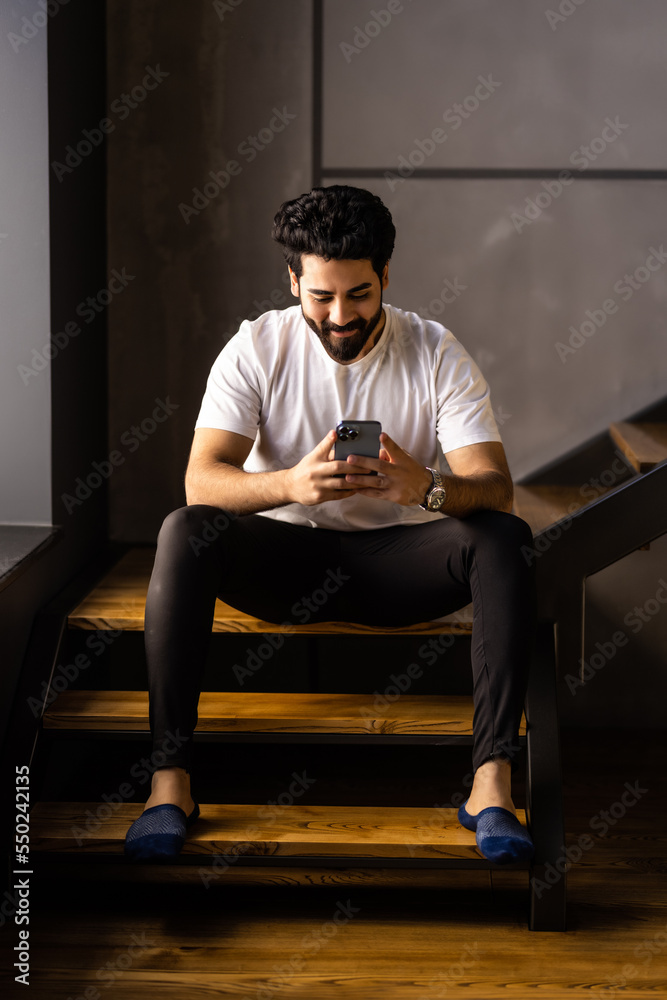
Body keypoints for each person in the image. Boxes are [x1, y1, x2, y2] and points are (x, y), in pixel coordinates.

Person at [124, 185, 536, 865]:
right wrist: (291, 485)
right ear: (293, 280)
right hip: (282, 560)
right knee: (183, 529)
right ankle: (170, 782)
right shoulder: (255, 347)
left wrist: (424, 488)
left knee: (503, 538)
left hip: (398, 561)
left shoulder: (435, 351)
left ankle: (490, 784)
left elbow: (495, 490)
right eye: (321, 296)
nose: (340, 316)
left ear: (384, 278)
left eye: (359, 294)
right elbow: (201, 481)